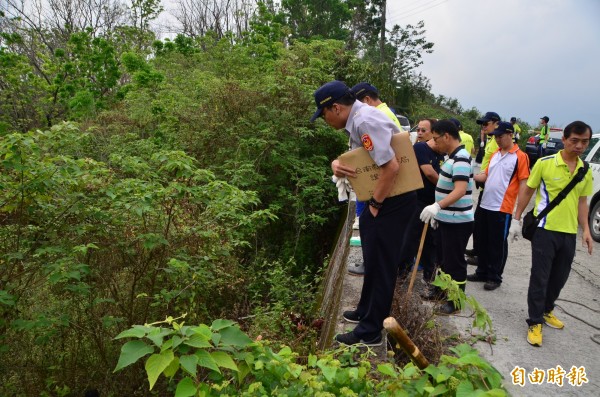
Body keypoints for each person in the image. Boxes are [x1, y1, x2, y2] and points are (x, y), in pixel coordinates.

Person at [311, 80, 417, 346]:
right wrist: (338, 163)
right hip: (383, 198)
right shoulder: (358, 119)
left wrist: (375, 205)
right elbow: (363, 157)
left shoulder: (365, 121)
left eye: (324, 115)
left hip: (391, 200)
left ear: (335, 108)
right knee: (373, 258)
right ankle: (365, 311)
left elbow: (390, 167)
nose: (325, 120)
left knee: (382, 265)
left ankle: (370, 331)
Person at [513, 120, 594, 347]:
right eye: (574, 141)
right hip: (545, 230)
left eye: (584, 142)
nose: (579, 146)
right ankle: (535, 321)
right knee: (540, 276)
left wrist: (586, 230)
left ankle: (547, 309)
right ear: (565, 139)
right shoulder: (545, 163)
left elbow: (582, 202)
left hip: (568, 233)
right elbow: (528, 190)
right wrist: (516, 219)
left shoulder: (585, 170)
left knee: (559, 278)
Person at [347, 82, 407, 275]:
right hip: (386, 185)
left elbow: (388, 163)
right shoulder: (383, 113)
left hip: (385, 187)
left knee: (375, 233)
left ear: (365, 100)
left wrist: (375, 202)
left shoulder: (369, 117)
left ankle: (370, 265)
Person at [420, 120, 474, 315]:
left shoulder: (461, 158)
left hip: (457, 221)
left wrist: (437, 206)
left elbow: (460, 190)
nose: (435, 144)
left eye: (436, 139)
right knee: (443, 259)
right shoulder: (452, 158)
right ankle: (441, 291)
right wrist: (439, 213)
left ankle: (456, 301)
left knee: (455, 262)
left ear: (447, 136)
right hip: (446, 218)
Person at [467, 122, 530, 290]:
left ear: (510, 135)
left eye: (500, 136)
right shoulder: (496, 153)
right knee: (482, 239)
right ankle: (481, 271)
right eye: (495, 137)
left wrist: (518, 215)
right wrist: (469, 175)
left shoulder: (520, 157)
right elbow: (486, 175)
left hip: (502, 207)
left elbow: (524, 185)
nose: (498, 140)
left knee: (497, 244)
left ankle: (494, 276)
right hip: (486, 203)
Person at [398, 122, 444, 284]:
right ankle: (400, 274)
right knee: (410, 238)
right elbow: (429, 173)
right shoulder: (420, 148)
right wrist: (449, 189)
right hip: (417, 201)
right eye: (418, 130)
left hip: (434, 203)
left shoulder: (441, 153)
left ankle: (429, 276)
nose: (419, 133)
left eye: (423, 130)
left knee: (431, 241)